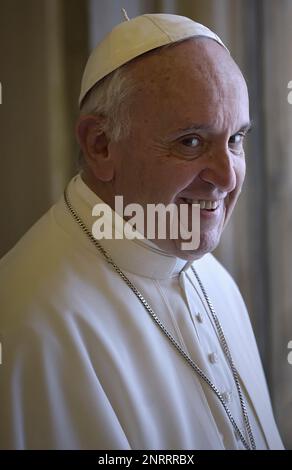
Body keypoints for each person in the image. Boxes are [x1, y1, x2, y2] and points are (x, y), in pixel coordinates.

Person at [0, 13, 284, 450]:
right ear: (101, 145)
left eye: (236, 140)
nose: (227, 178)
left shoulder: (213, 278)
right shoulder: (30, 324)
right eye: (191, 141)